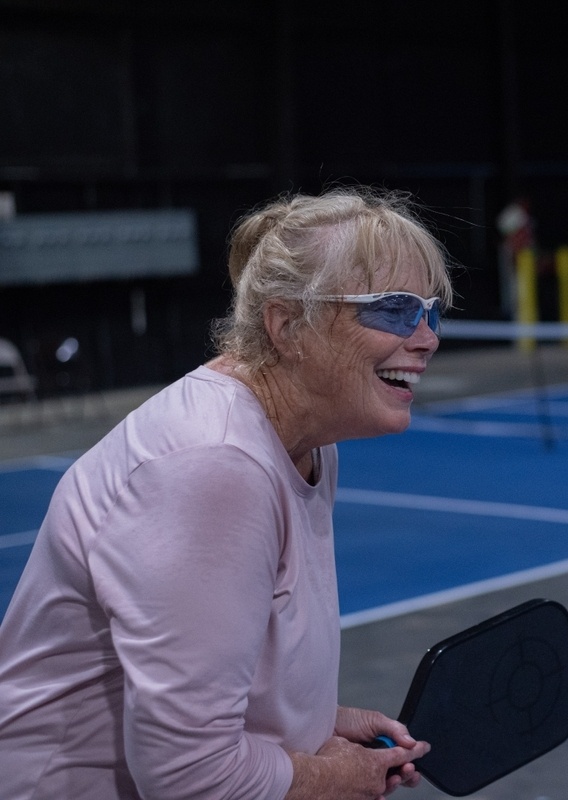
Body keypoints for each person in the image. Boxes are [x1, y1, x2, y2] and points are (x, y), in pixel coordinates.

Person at [0, 187, 453, 799]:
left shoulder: (310, 440)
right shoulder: (215, 465)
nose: (426, 337)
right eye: (395, 310)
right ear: (289, 325)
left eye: (431, 311)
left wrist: (322, 721)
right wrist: (331, 778)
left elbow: (220, 674)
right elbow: (189, 774)